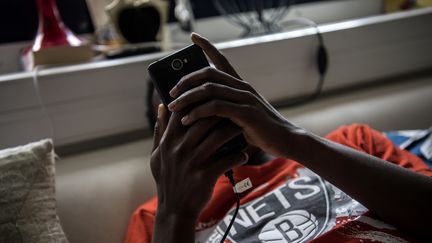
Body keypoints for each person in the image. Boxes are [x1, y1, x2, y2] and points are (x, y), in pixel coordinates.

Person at [125, 33, 432, 243]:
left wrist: (293, 140)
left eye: (215, 95)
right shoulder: (155, 217)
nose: (208, 117)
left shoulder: (352, 142)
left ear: (244, 96)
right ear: (163, 140)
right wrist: (175, 212)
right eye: (186, 115)